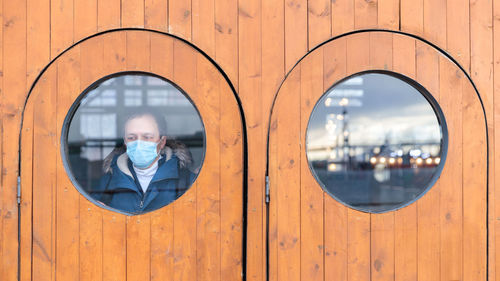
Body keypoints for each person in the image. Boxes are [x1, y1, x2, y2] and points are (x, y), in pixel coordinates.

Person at [91, 110, 195, 214]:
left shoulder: (186, 181)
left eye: (147, 137)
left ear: (162, 142)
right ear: (125, 142)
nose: (139, 143)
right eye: (131, 138)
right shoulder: (109, 181)